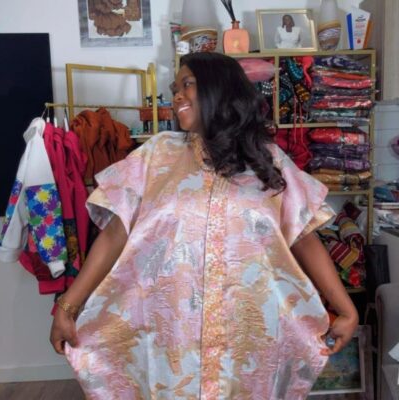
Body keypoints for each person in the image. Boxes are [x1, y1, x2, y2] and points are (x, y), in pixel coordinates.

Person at [50, 52, 358, 399]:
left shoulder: (269, 161)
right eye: (174, 89)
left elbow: (304, 238)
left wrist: (346, 309)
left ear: (219, 88)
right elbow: (114, 236)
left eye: (187, 84)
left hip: (248, 338)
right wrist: (68, 306)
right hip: (169, 338)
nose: (177, 96)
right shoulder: (155, 155)